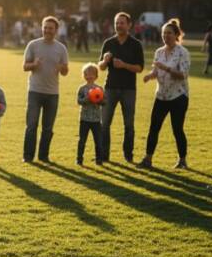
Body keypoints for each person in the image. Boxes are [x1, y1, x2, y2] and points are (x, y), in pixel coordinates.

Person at [137, 19, 191, 169]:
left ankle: (182, 160)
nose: (166, 36)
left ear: (176, 35)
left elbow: (183, 75)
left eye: (169, 33)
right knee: (154, 127)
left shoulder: (183, 52)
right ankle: (148, 159)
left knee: (177, 129)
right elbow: (156, 70)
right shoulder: (159, 52)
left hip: (178, 96)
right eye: (163, 33)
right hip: (161, 96)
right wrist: (149, 76)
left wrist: (165, 68)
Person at [98, 12, 144, 164]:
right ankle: (104, 156)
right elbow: (101, 67)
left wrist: (124, 65)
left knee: (129, 125)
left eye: (122, 23)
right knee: (104, 124)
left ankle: (128, 155)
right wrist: (105, 61)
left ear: (129, 25)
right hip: (110, 88)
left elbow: (139, 68)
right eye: (117, 23)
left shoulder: (136, 44)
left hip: (128, 89)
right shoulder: (108, 43)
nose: (119, 25)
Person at [22, 16, 69, 163]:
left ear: (56, 30)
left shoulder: (61, 48)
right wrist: (34, 64)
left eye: (50, 28)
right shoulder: (33, 45)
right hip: (35, 92)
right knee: (31, 126)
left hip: (52, 93)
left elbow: (65, 71)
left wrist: (63, 68)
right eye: (45, 27)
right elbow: (24, 67)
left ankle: (43, 156)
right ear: (42, 28)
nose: (47, 30)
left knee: (48, 128)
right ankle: (28, 157)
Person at [76, 63, 104, 166]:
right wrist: (87, 99)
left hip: (96, 120)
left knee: (98, 141)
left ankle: (99, 160)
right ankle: (79, 159)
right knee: (82, 140)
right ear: (84, 76)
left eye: (91, 74)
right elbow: (79, 101)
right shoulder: (82, 88)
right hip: (84, 119)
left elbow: (104, 102)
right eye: (87, 74)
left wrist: (98, 101)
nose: (89, 76)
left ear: (96, 76)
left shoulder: (99, 89)